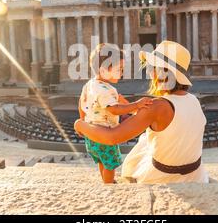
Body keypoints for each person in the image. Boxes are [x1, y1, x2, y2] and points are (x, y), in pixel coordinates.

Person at [75, 40, 209, 184]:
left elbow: (112, 138)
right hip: (196, 175)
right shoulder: (194, 100)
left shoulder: (157, 106)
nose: (149, 72)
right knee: (146, 140)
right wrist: (131, 106)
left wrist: (80, 124)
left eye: (152, 67)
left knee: (142, 143)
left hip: (165, 177)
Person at [78, 43, 152, 184]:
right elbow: (114, 109)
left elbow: (81, 102)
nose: (122, 72)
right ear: (104, 70)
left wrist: (83, 122)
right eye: (119, 69)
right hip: (104, 133)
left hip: (91, 134)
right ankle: (109, 184)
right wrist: (136, 105)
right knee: (110, 164)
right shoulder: (104, 90)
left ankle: (106, 180)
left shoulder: (90, 85)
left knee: (102, 160)